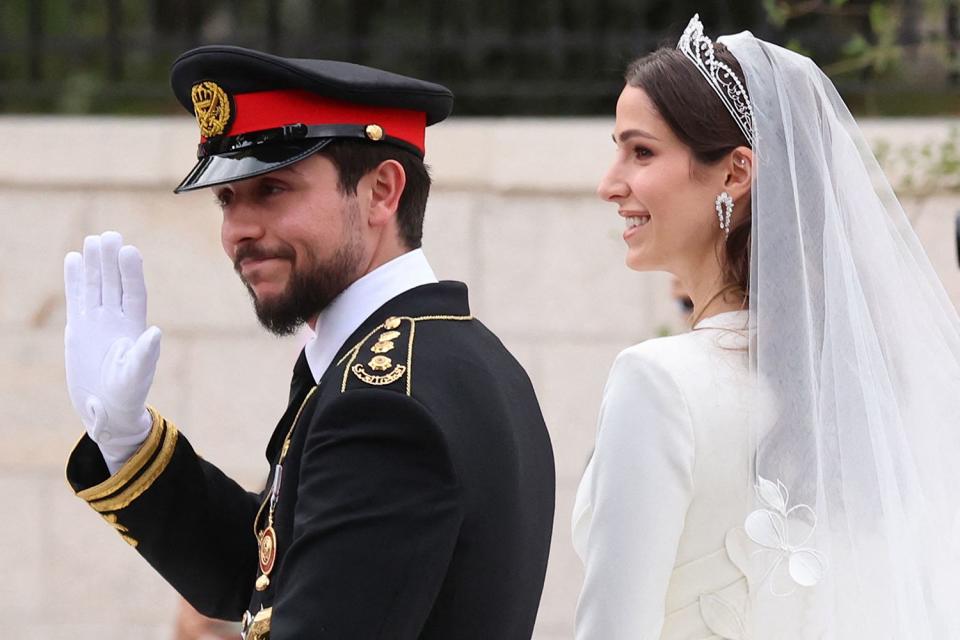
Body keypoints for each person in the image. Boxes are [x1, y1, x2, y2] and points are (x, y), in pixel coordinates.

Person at [63, 45, 555, 640]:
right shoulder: (455, 356)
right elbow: (269, 572)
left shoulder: (383, 404)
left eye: (272, 189)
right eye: (227, 199)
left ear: (381, 191)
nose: (237, 230)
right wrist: (126, 439)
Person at [573, 14, 960, 639]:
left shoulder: (657, 383)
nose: (609, 184)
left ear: (735, 172)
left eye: (640, 151)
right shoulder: (864, 383)